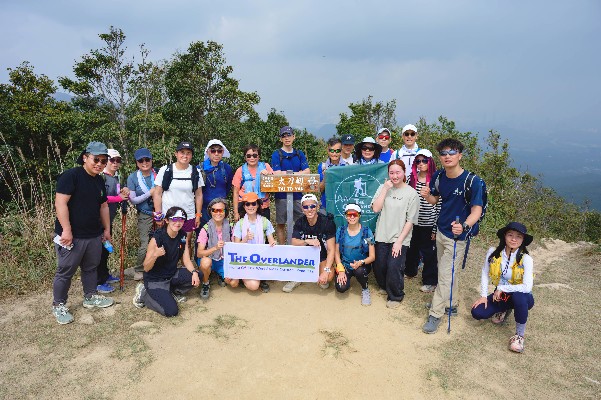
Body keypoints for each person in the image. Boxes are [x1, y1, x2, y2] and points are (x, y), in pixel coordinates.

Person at [420, 138, 484, 334]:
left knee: (445, 275)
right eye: (443, 153)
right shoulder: (439, 176)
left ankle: (435, 313)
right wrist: (427, 196)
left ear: (460, 155)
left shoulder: (472, 181)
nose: (447, 156)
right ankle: (451, 304)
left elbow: (477, 210)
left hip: (457, 237)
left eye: (452, 152)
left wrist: (464, 226)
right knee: (447, 271)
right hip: (441, 231)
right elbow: (435, 199)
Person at [52, 142, 115, 325]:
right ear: (85, 157)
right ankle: (58, 305)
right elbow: (60, 203)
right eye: (96, 159)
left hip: (94, 234)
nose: (100, 164)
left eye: (103, 161)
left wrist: (106, 229)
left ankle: (90, 296)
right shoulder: (71, 176)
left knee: (91, 268)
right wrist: (66, 229)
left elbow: (103, 206)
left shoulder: (99, 180)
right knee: (65, 271)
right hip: (71, 236)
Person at [471, 222, 534, 353]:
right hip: (500, 296)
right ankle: (504, 309)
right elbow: (485, 273)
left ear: (523, 240)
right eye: (510, 235)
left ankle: (519, 336)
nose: (514, 239)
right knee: (477, 312)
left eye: (518, 236)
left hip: (523, 297)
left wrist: (502, 288)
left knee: (519, 296)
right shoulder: (493, 252)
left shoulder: (526, 259)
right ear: (504, 236)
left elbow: (527, 287)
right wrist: (483, 296)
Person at [132, 207, 201, 316]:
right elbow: (146, 267)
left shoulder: (182, 235)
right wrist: (155, 255)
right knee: (171, 311)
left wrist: (194, 272)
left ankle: (171, 291)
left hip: (171, 275)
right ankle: (144, 294)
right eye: (174, 219)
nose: (178, 223)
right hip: (155, 279)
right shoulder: (157, 237)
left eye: (181, 219)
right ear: (167, 220)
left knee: (198, 274)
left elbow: (186, 259)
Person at [371, 159, 419, 308]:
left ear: (404, 173)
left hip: (400, 237)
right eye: (391, 173)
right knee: (379, 265)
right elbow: (376, 209)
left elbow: (410, 221)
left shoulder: (411, 193)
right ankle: (384, 285)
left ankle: (396, 296)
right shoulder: (383, 187)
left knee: (394, 266)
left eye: (398, 172)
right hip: (382, 234)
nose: (395, 176)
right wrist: (385, 189)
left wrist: (399, 241)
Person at [153, 141, 204, 251]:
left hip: (188, 215)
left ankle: (186, 262)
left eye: (188, 153)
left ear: (191, 155)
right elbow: (157, 193)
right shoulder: (165, 170)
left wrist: (198, 214)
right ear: (176, 154)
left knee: (186, 243)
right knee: (167, 243)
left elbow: (199, 195)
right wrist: (158, 215)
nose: (185, 156)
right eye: (182, 152)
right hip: (168, 215)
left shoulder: (195, 171)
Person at [405, 149, 440, 293]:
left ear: (430, 162)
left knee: (429, 253)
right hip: (413, 222)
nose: (421, 164)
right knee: (411, 249)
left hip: (429, 222)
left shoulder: (436, 181)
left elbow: (439, 205)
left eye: (424, 161)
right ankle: (410, 271)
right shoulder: (411, 178)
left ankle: (430, 281)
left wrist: (435, 228)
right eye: (418, 161)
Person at [95, 149, 130, 294]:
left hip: (109, 220)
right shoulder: (100, 177)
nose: (115, 163)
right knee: (98, 251)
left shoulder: (116, 177)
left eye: (118, 160)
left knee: (105, 249)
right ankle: (98, 282)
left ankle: (105, 275)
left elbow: (114, 194)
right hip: (98, 221)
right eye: (112, 160)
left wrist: (122, 191)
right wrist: (118, 198)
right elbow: (99, 197)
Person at [287, 194, 336, 293]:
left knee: (327, 278)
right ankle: (297, 277)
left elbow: (331, 250)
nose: (309, 209)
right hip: (305, 257)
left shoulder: (327, 222)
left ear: (317, 207)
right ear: (302, 209)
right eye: (306, 207)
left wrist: (326, 271)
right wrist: (306, 241)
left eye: (312, 206)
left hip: (322, 256)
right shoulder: (300, 222)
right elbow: (294, 242)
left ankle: (320, 272)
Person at [270, 126, 310, 244]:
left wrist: (288, 174)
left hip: (297, 194)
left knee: (301, 222)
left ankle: (299, 246)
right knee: (281, 223)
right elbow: (277, 174)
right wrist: (298, 173)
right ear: (281, 139)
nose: (287, 138)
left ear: (294, 137)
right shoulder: (276, 154)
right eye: (284, 136)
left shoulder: (299, 153)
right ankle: (283, 248)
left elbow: (307, 171)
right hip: (281, 195)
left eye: (289, 135)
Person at [231, 192, 276, 292]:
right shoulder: (240, 224)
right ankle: (244, 277)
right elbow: (236, 247)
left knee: (268, 275)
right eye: (247, 204)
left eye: (253, 204)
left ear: (258, 205)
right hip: (244, 259)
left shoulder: (265, 221)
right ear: (244, 206)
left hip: (260, 258)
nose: (250, 206)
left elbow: (271, 240)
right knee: (251, 286)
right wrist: (245, 239)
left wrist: (273, 243)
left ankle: (255, 278)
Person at [334, 203, 375, 306]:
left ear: (359, 215)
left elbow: (372, 256)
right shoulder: (341, 231)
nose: (352, 217)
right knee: (341, 288)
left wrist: (361, 262)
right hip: (345, 265)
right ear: (345, 216)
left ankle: (365, 289)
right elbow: (336, 252)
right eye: (349, 214)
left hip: (361, 265)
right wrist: (340, 270)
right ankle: (346, 277)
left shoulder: (367, 232)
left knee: (359, 271)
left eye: (355, 214)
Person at [126, 148, 157, 281]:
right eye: (141, 160)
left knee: (160, 242)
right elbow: (133, 200)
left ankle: (156, 267)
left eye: (147, 159)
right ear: (137, 163)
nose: (144, 163)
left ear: (151, 160)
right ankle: (139, 269)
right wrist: (150, 193)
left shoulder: (158, 174)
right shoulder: (133, 177)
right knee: (145, 244)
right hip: (145, 214)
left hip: (160, 213)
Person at [196, 198, 231, 299]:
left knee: (233, 282)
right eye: (214, 210)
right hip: (209, 258)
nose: (218, 213)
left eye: (221, 210)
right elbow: (199, 253)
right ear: (210, 212)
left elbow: (236, 247)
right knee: (205, 262)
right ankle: (206, 283)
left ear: (225, 212)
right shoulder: (205, 229)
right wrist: (215, 248)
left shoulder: (231, 227)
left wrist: (245, 239)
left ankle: (220, 275)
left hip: (224, 259)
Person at [232, 144, 274, 222]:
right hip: (245, 207)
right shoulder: (240, 170)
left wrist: (268, 175)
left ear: (259, 157)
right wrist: (236, 212)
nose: (252, 158)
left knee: (263, 228)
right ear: (245, 157)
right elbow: (236, 193)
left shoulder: (266, 167)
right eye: (249, 156)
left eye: (254, 155)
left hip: (262, 206)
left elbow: (274, 183)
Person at [200, 139, 234, 225]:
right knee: (203, 231)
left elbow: (228, 187)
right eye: (213, 151)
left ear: (222, 152)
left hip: (221, 208)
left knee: (220, 231)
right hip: (204, 208)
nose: (216, 153)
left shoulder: (227, 168)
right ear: (207, 152)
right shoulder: (200, 168)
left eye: (219, 151)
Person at [317, 137, 347, 211]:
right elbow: (320, 189)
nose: (334, 153)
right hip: (325, 205)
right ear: (328, 150)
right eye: (332, 150)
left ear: (341, 151)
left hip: (342, 206)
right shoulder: (322, 166)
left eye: (337, 151)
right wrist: (325, 177)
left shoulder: (346, 167)